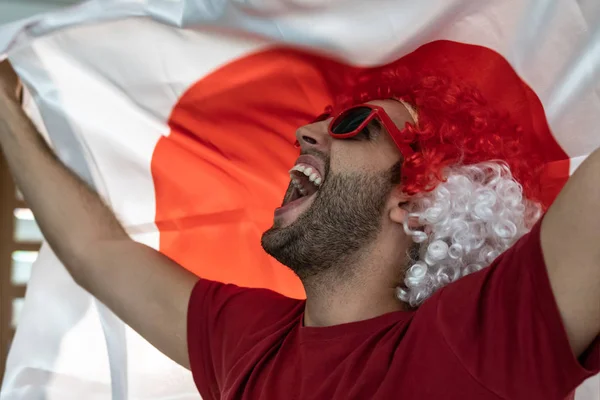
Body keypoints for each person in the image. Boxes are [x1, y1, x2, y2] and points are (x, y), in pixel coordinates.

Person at [0, 59, 598, 400]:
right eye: (317, 122)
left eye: (353, 125)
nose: (306, 134)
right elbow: (96, 251)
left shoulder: (473, 344)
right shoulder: (249, 340)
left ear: (415, 202)